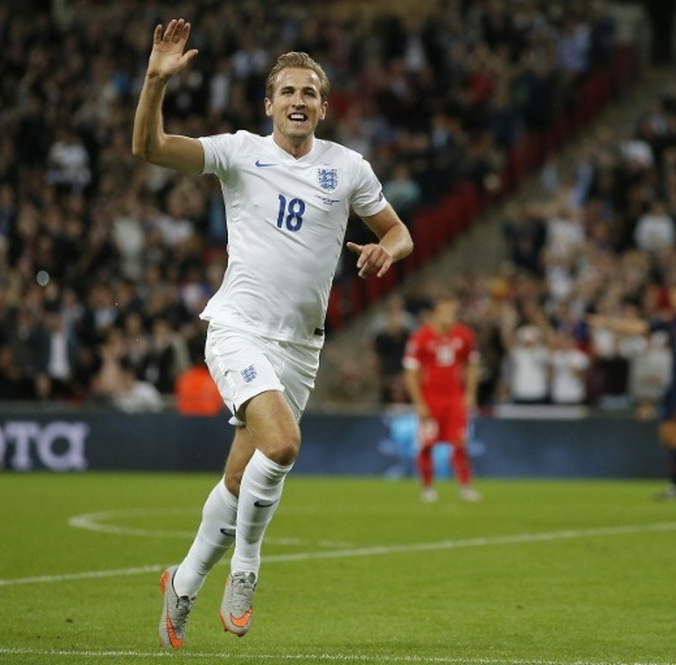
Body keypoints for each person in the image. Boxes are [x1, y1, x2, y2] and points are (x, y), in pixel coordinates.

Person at [133, 18, 413, 649]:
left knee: (240, 480)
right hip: (237, 328)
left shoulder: (347, 168)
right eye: (287, 91)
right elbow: (149, 150)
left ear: (322, 105)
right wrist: (154, 81)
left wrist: (387, 251)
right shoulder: (238, 151)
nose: (297, 101)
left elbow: (400, 231)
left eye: (309, 93)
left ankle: (183, 579)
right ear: (269, 104)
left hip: (300, 346)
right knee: (282, 446)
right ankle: (248, 567)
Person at [590, 284, 676, 500]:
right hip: (674, 384)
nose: (674, 300)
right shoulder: (672, 322)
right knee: (666, 437)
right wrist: (608, 323)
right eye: (672, 296)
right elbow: (642, 327)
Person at [402, 293, 481, 503]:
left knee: (460, 442)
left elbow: (472, 366)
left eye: (453, 311)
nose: (450, 315)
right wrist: (419, 402)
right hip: (430, 399)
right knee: (427, 444)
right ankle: (427, 488)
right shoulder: (421, 337)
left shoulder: (464, 335)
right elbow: (411, 373)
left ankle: (465, 486)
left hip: (455, 399)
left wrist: (470, 393)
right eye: (446, 311)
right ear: (435, 313)